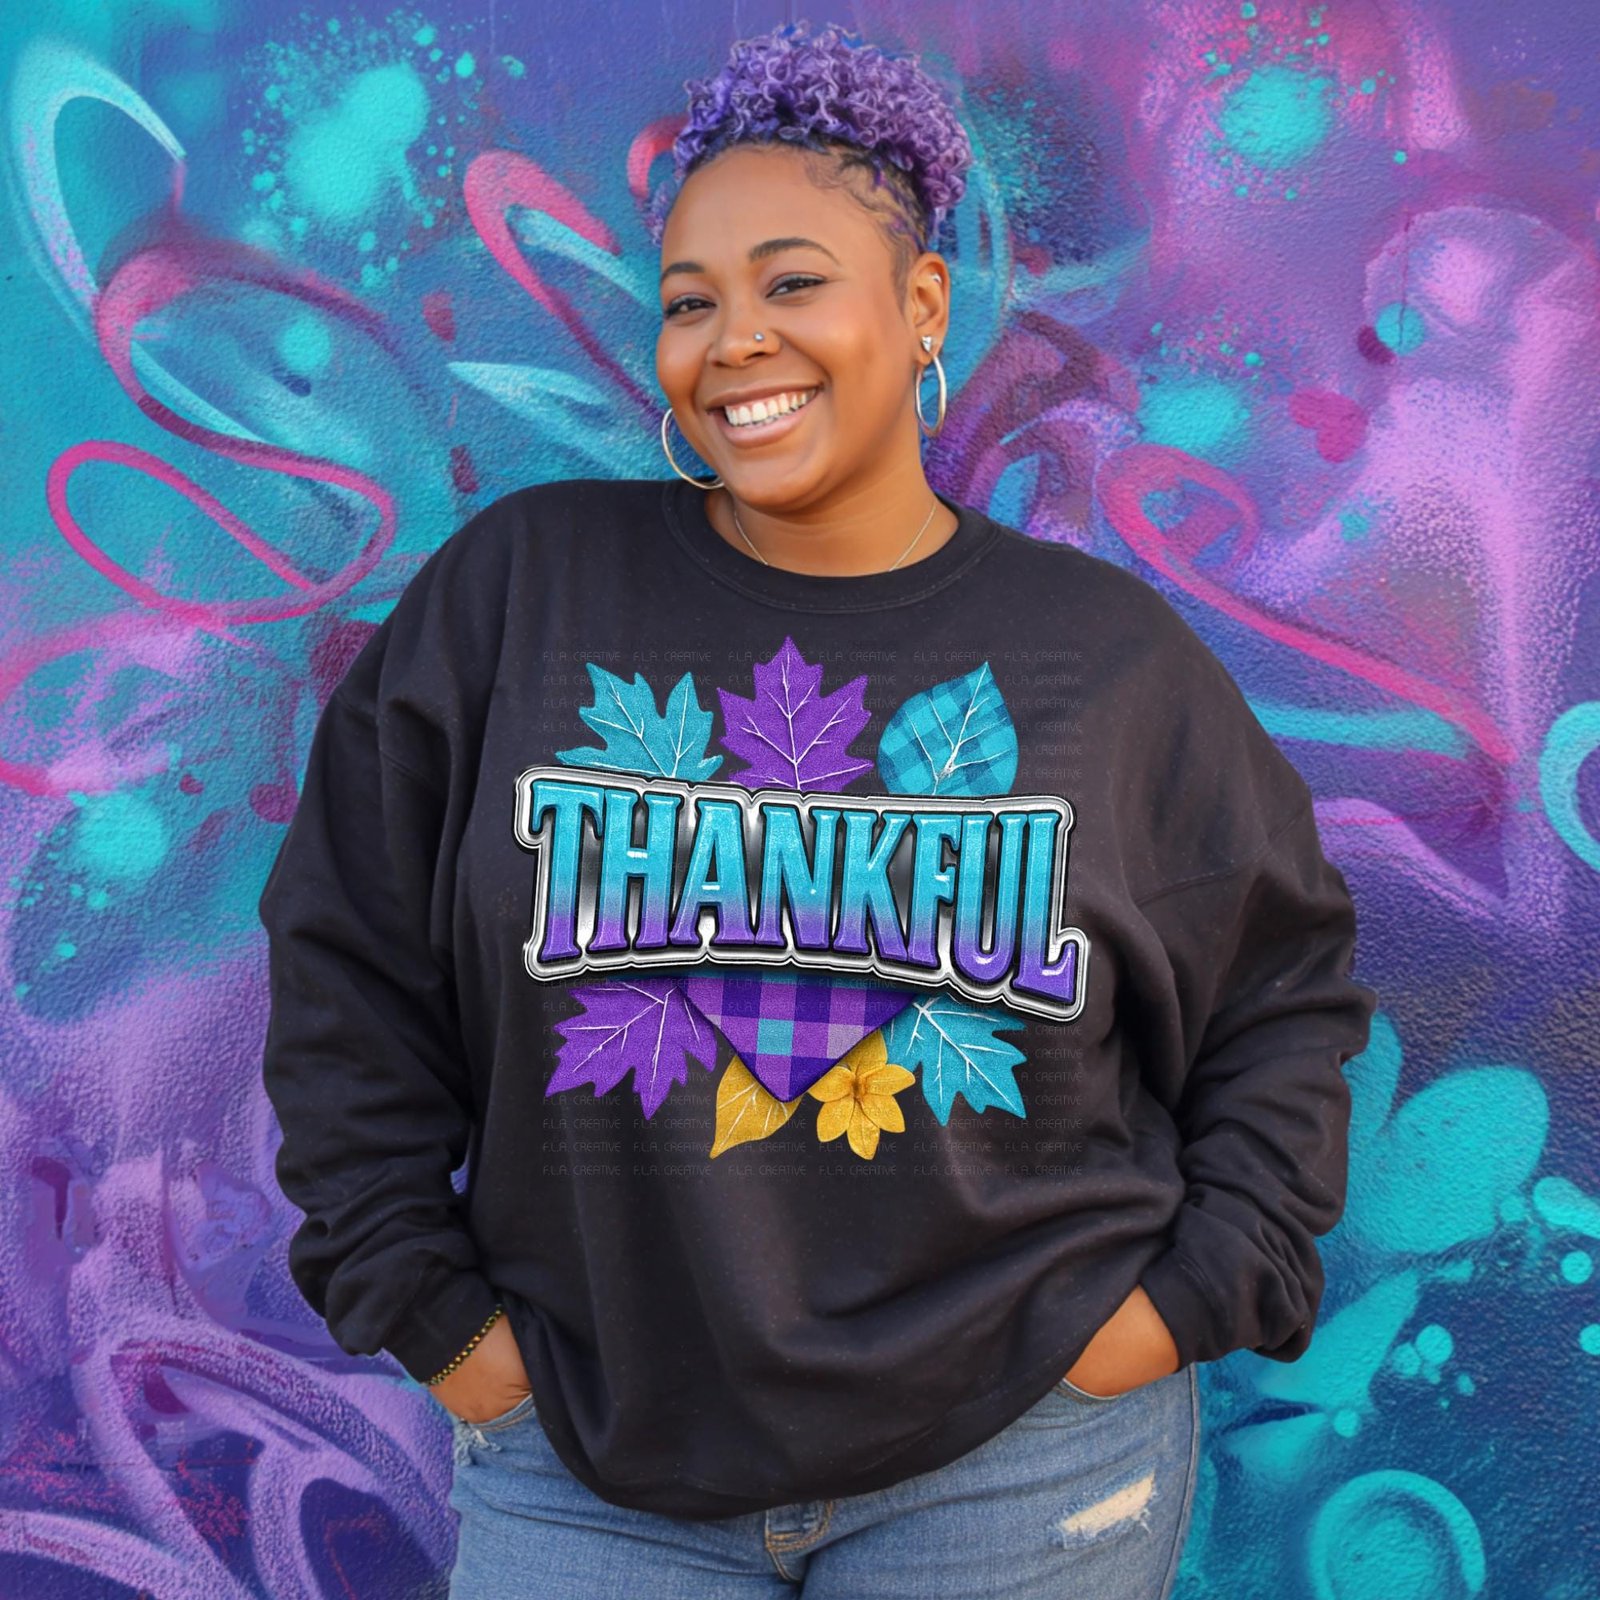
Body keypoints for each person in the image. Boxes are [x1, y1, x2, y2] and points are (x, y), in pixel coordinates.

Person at [257, 19, 1378, 1599]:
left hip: (1020, 1465)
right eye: (691, 302)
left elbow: (1281, 995)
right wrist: (434, 1319)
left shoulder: (1106, 661)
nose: (737, 343)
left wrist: (1185, 1304)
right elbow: (347, 962)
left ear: (921, 306)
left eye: (793, 285)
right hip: (588, 1469)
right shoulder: (518, 598)